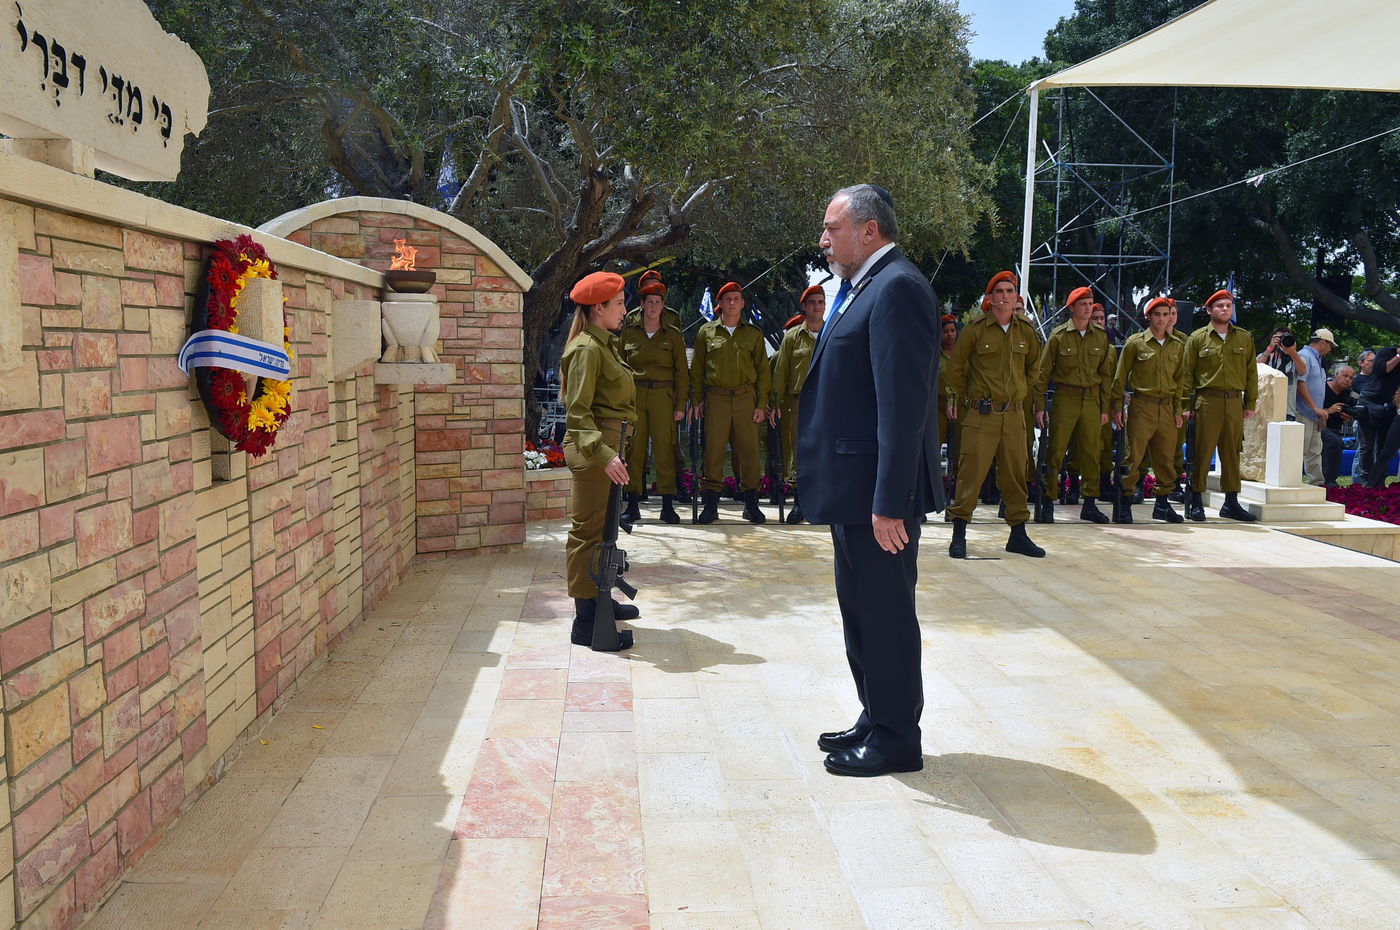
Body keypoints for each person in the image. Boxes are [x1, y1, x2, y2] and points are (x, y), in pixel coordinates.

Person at [799, 183, 942, 778]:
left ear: (869, 230)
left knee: (883, 612)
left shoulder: (899, 289)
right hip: (853, 488)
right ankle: (877, 713)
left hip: (878, 495)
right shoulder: (862, 287)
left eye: (833, 228)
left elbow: (902, 407)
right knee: (860, 609)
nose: (824, 239)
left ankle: (896, 739)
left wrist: (890, 502)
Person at [559, 271, 639, 650]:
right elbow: (577, 413)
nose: (625, 309)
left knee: (602, 536)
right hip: (594, 452)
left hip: (606, 449)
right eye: (620, 303)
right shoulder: (587, 349)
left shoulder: (604, 344)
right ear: (598, 308)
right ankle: (584, 621)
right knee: (586, 534)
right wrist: (605, 454)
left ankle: (598, 600)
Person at [944, 271, 1045, 558]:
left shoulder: (1025, 330)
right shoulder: (976, 329)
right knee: (970, 475)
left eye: (1009, 291)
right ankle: (959, 532)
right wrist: (973, 395)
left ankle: (1018, 534)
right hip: (982, 415)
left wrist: (1021, 391)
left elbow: (1035, 367)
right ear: (990, 298)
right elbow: (955, 369)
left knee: (1016, 474)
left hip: (1014, 416)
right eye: (998, 291)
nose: (1003, 296)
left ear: (1016, 297)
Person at [689, 281, 771, 523]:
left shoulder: (753, 334)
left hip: (746, 397)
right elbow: (698, 369)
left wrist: (761, 403)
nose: (732, 303)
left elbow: (763, 371)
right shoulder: (707, 332)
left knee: (749, 451)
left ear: (743, 303)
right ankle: (711, 505)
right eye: (728, 299)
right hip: (716, 397)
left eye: (736, 298)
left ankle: (750, 504)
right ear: (720, 304)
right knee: (713, 450)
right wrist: (697, 400)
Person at [1034, 286, 1116, 523]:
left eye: (1090, 304)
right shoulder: (1059, 336)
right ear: (1071, 308)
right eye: (1083, 304)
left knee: (1091, 451)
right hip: (1065, 398)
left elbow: (1106, 376)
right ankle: (1048, 501)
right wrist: (1040, 405)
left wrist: (1104, 408)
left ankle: (1089, 503)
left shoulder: (1100, 336)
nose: (1088, 308)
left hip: (1091, 400)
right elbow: (1042, 373)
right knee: (1056, 450)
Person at [1181, 289, 1258, 521]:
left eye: (1228, 305)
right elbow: (1187, 374)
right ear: (1209, 310)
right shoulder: (1197, 338)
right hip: (1207, 400)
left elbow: (1251, 373)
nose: (1225, 309)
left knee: (1232, 453)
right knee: (1202, 452)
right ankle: (1196, 501)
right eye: (1220, 306)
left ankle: (1231, 502)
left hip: (1234, 400)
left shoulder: (1244, 337)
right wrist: (1186, 404)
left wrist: (1250, 402)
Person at [619, 276, 689, 523]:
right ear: (642, 304)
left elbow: (682, 372)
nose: (653, 307)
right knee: (634, 450)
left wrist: (680, 405)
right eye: (649, 302)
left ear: (663, 305)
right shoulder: (628, 333)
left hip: (663, 396)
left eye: (657, 302)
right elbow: (620, 368)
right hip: (635, 396)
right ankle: (633, 503)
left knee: (664, 450)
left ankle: (667, 504)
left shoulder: (673, 335)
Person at [1112, 298, 1185, 523]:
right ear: (1149, 317)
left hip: (1167, 406)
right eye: (1157, 315)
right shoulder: (1136, 343)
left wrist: (1178, 410)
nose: (1162, 319)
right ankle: (1125, 502)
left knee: (1165, 457)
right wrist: (1117, 407)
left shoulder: (1177, 345)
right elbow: (1120, 376)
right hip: (1142, 405)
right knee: (1133, 456)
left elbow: (1180, 380)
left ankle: (1162, 503)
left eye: (1166, 314)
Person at [771, 284, 825, 524]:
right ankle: (799, 503)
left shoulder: (832, 332)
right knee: (798, 452)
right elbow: (781, 371)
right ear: (804, 307)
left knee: (825, 452)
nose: (817, 307)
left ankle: (823, 503)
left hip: (827, 403)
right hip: (798, 402)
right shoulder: (793, 337)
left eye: (821, 302)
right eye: (812, 302)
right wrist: (774, 403)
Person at [1293, 329, 1337, 487]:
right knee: (1301, 450)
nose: (1330, 349)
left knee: (1314, 450)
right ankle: (1293, 483)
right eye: (1330, 345)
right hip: (1304, 412)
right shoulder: (1305, 356)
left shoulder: (1315, 358)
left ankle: (1317, 484)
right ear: (1323, 342)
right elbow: (1300, 383)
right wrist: (1315, 407)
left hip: (1313, 414)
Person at [1360, 345, 1400, 487]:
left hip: (1390, 407)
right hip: (1371, 403)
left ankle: (1378, 482)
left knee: (1385, 448)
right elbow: (1381, 370)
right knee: (1367, 446)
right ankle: (1365, 482)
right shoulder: (1387, 352)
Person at [1257, 326, 1307, 419]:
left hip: (1287, 411)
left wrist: (1292, 352)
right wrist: (1269, 348)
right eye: (1279, 339)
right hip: (1265, 410)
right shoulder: (1265, 356)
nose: (1282, 342)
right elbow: (1256, 369)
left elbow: (1302, 371)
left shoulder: (1296, 359)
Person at [1322, 364, 1357, 486]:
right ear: (1335, 375)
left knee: (1336, 441)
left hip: (1336, 429)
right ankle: (1329, 480)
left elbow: (1351, 413)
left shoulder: (1349, 395)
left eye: (1351, 378)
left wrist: (1349, 417)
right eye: (1345, 376)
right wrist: (1328, 410)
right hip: (1318, 426)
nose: (1348, 379)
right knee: (1335, 441)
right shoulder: (1322, 388)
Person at [937, 313, 960, 476]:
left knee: (959, 447)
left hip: (959, 405)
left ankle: (957, 482)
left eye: (952, 331)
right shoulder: (933, 354)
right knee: (934, 443)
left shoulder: (962, 353)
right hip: (938, 405)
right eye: (946, 331)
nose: (950, 335)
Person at [1351, 349, 1377, 480]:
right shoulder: (1358, 380)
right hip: (1362, 421)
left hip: (1376, 420)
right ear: (1361, 363)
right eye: (1370, 361)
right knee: (1361, 453)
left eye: (1375, 361)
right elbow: (1372, 394)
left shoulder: (1377, 378)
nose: (1374, 363)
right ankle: (1356, 484)